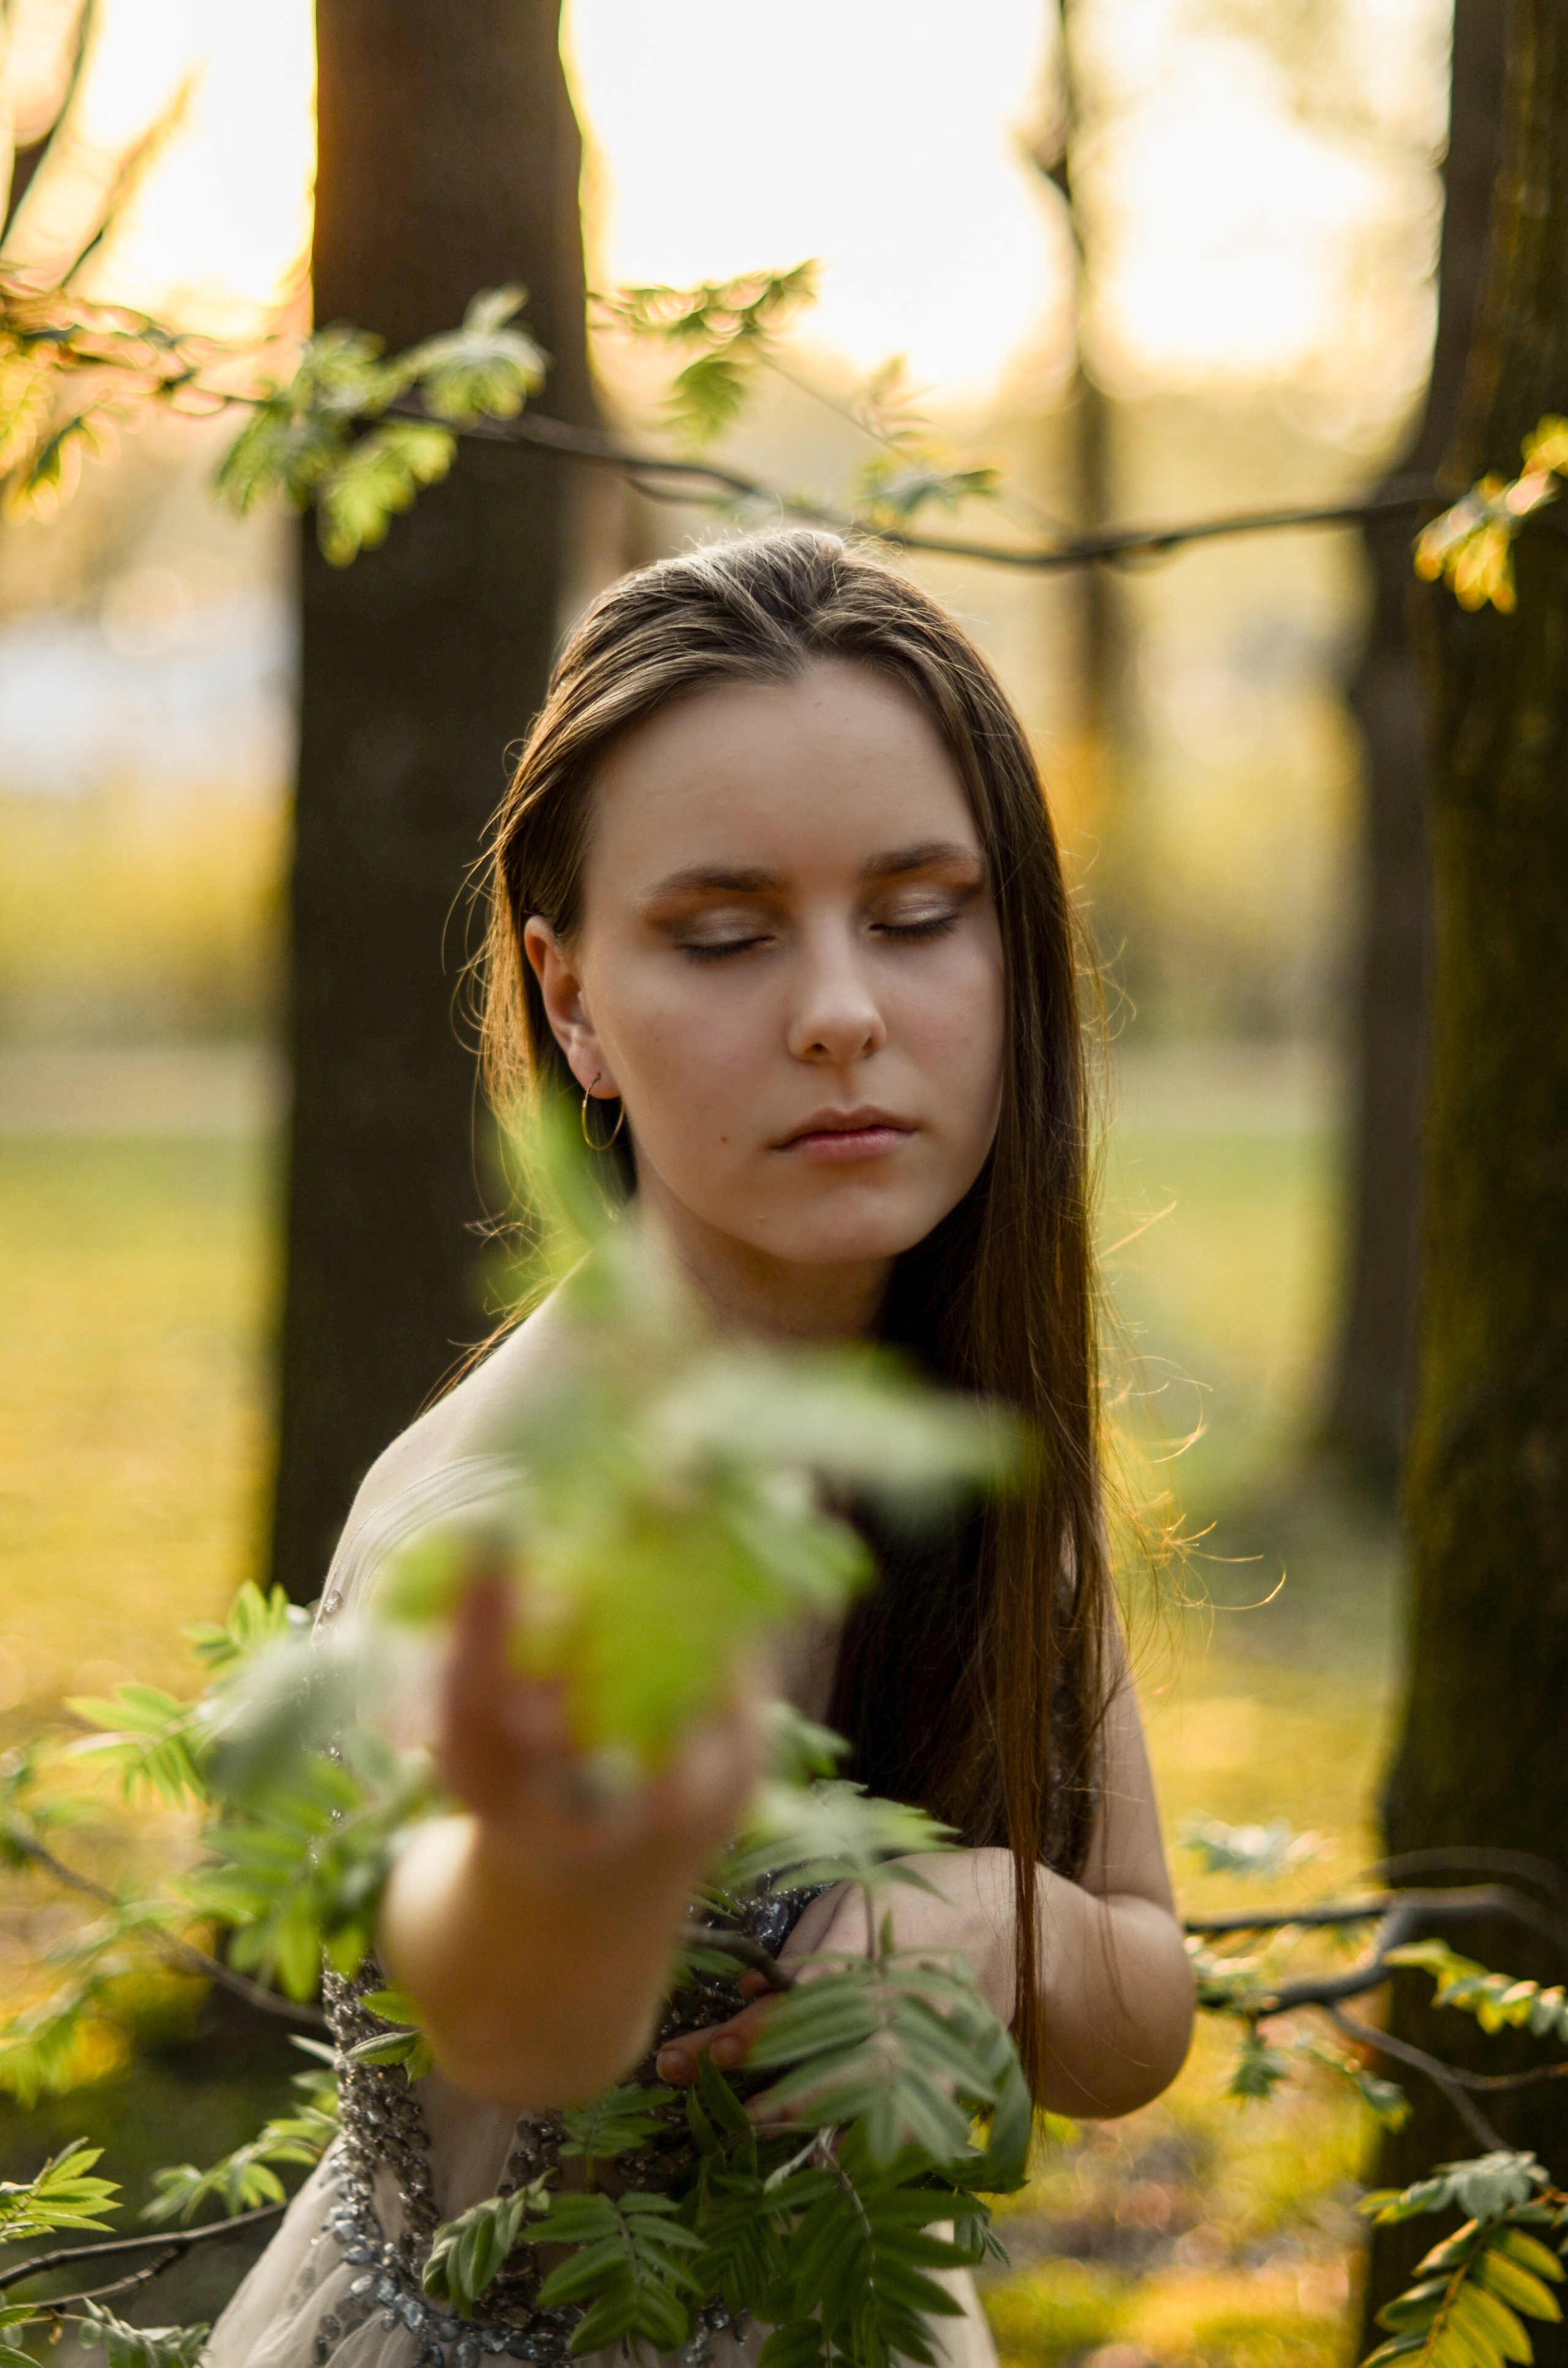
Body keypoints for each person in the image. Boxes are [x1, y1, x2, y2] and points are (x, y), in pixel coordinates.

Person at [205, 531, 1194, 2368]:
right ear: (568, 997)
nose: (841, 1009)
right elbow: (508, 2008)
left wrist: (996, 1915)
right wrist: (583, 1844)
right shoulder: (504, 1524)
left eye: (917, 915)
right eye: (725, 937)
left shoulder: (973, 1441)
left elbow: (1143, 1997)